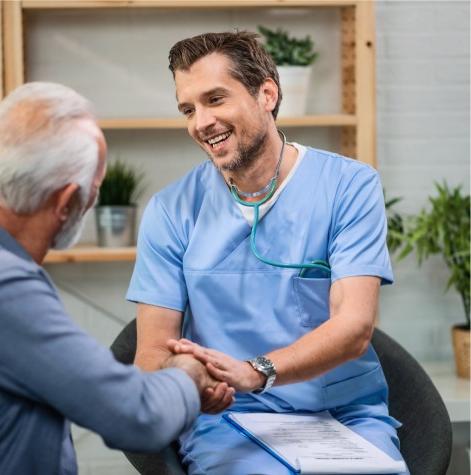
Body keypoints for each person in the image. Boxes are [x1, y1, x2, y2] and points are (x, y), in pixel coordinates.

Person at [126, 31, 408, 475]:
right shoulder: (171, 210)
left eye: (215, 99)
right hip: (228, 420)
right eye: (188, 109)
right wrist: (190, 377)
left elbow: (354, 327)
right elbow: (150, 360)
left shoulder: (349, 187)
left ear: (267, 94)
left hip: (341, 415)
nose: (201, 122)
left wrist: (256, 371)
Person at [0, 81, 234, 475]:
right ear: (66, 203)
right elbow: (135, 416)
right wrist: (189, 373)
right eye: (93, 193)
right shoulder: (0, 285)